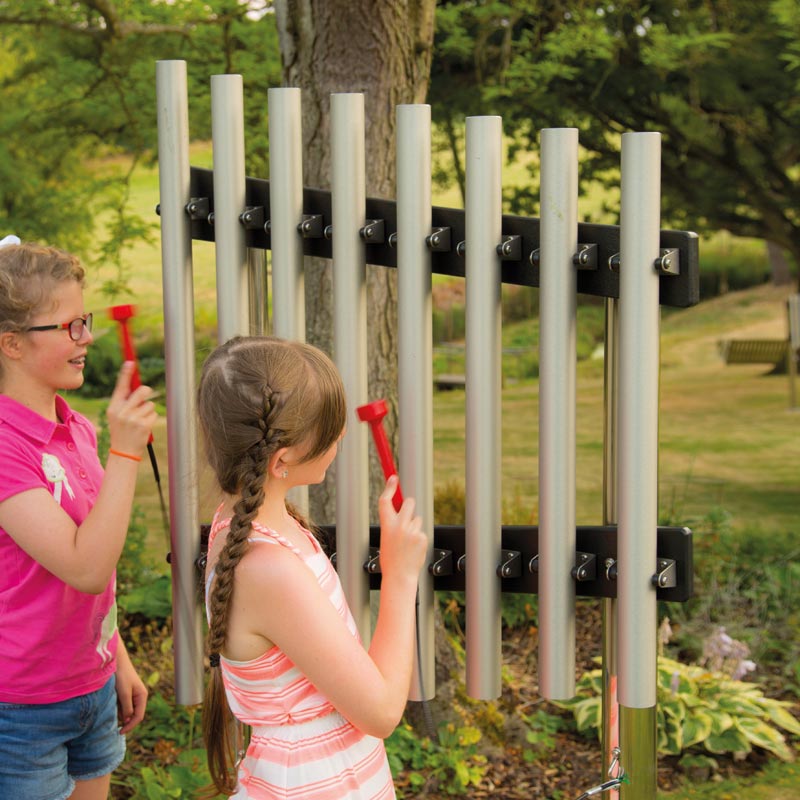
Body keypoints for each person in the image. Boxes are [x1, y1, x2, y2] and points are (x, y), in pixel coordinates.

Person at [199, 335, 428, 799]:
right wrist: (400, 576)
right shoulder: (268, 568)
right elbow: (381, 712)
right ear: (282, 460)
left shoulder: (244, 520)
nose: (341, 437)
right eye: (329, 430)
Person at [0, 241, 158, 800]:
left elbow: (101, 567)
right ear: (12, 344)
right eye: (68, 326)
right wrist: (126, 455)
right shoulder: (4, 448)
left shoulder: (79, 429)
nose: (86, 338)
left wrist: (117, 659)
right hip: (21, 711)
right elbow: (84, 568)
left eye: (84, 321)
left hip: (91, 689)